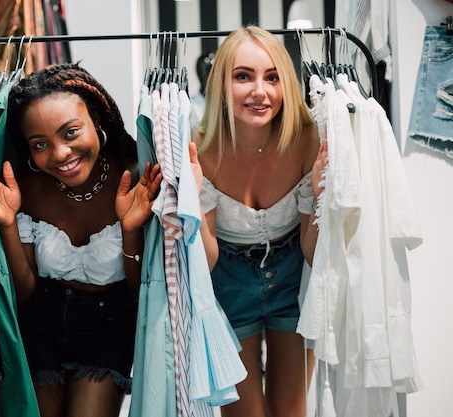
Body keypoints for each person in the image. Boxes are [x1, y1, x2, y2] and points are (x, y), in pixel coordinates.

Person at [0, 63, 162, 417]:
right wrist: (8, 224)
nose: (60, 154)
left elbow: (142, 291)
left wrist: (131, 229)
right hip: (41, 323)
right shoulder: (25, 188)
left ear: (96, 120)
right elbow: (25, 291)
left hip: (111, 327)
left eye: (71, 132)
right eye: (40, 144)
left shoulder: (137, 175)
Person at [193, 26, 327, 417]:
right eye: (243, 76)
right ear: (221, 82)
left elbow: (315, 253)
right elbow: (205, 261)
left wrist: (321, 197)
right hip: (228, 285)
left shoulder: (308, 139)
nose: (260, 91)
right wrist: (193, 203)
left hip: (293, 279)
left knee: (291, 411)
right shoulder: (199, 148)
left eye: (272, 77)